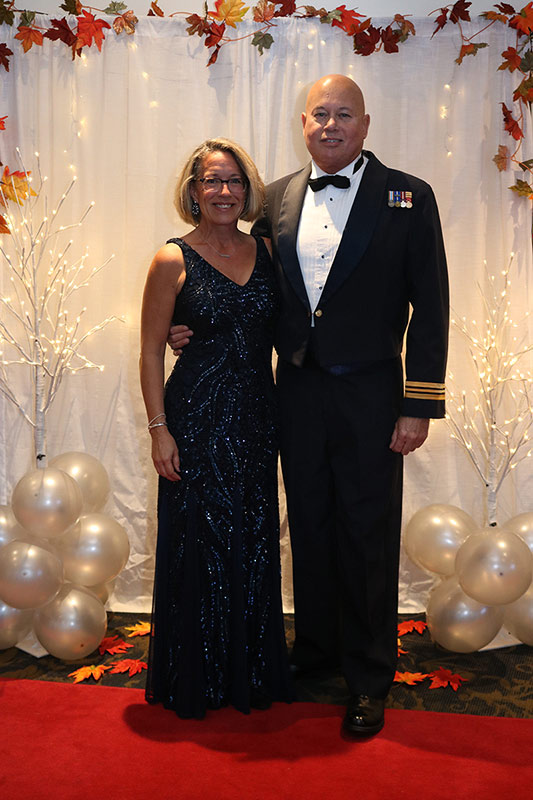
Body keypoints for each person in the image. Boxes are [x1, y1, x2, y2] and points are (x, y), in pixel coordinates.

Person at [169, 75, 449, 735]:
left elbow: (431, 307)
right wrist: (190, 327)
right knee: (313, 529)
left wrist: (418, 404)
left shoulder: (407, 196)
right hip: (292, 392)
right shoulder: (273, 198)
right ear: (302, 123)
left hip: (373, 395)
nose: (330, 124)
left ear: (364, 123)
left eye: (343, 114)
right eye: (319, 114)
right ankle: (318, 655)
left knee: (366, 535)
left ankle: (368, 677)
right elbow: (245, 284)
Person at [140, 138, 292, 719]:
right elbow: (152, 351)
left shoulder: (270, 253)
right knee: (196, 543)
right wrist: (159, 429)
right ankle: (195, 674)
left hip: (257, 417)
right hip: (194, 421)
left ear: (247, 190)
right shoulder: (171, 259)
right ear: (194, 191)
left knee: (253, 542)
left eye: (233, 182)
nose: (224, 192)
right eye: (212, 181)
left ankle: (250, 670)